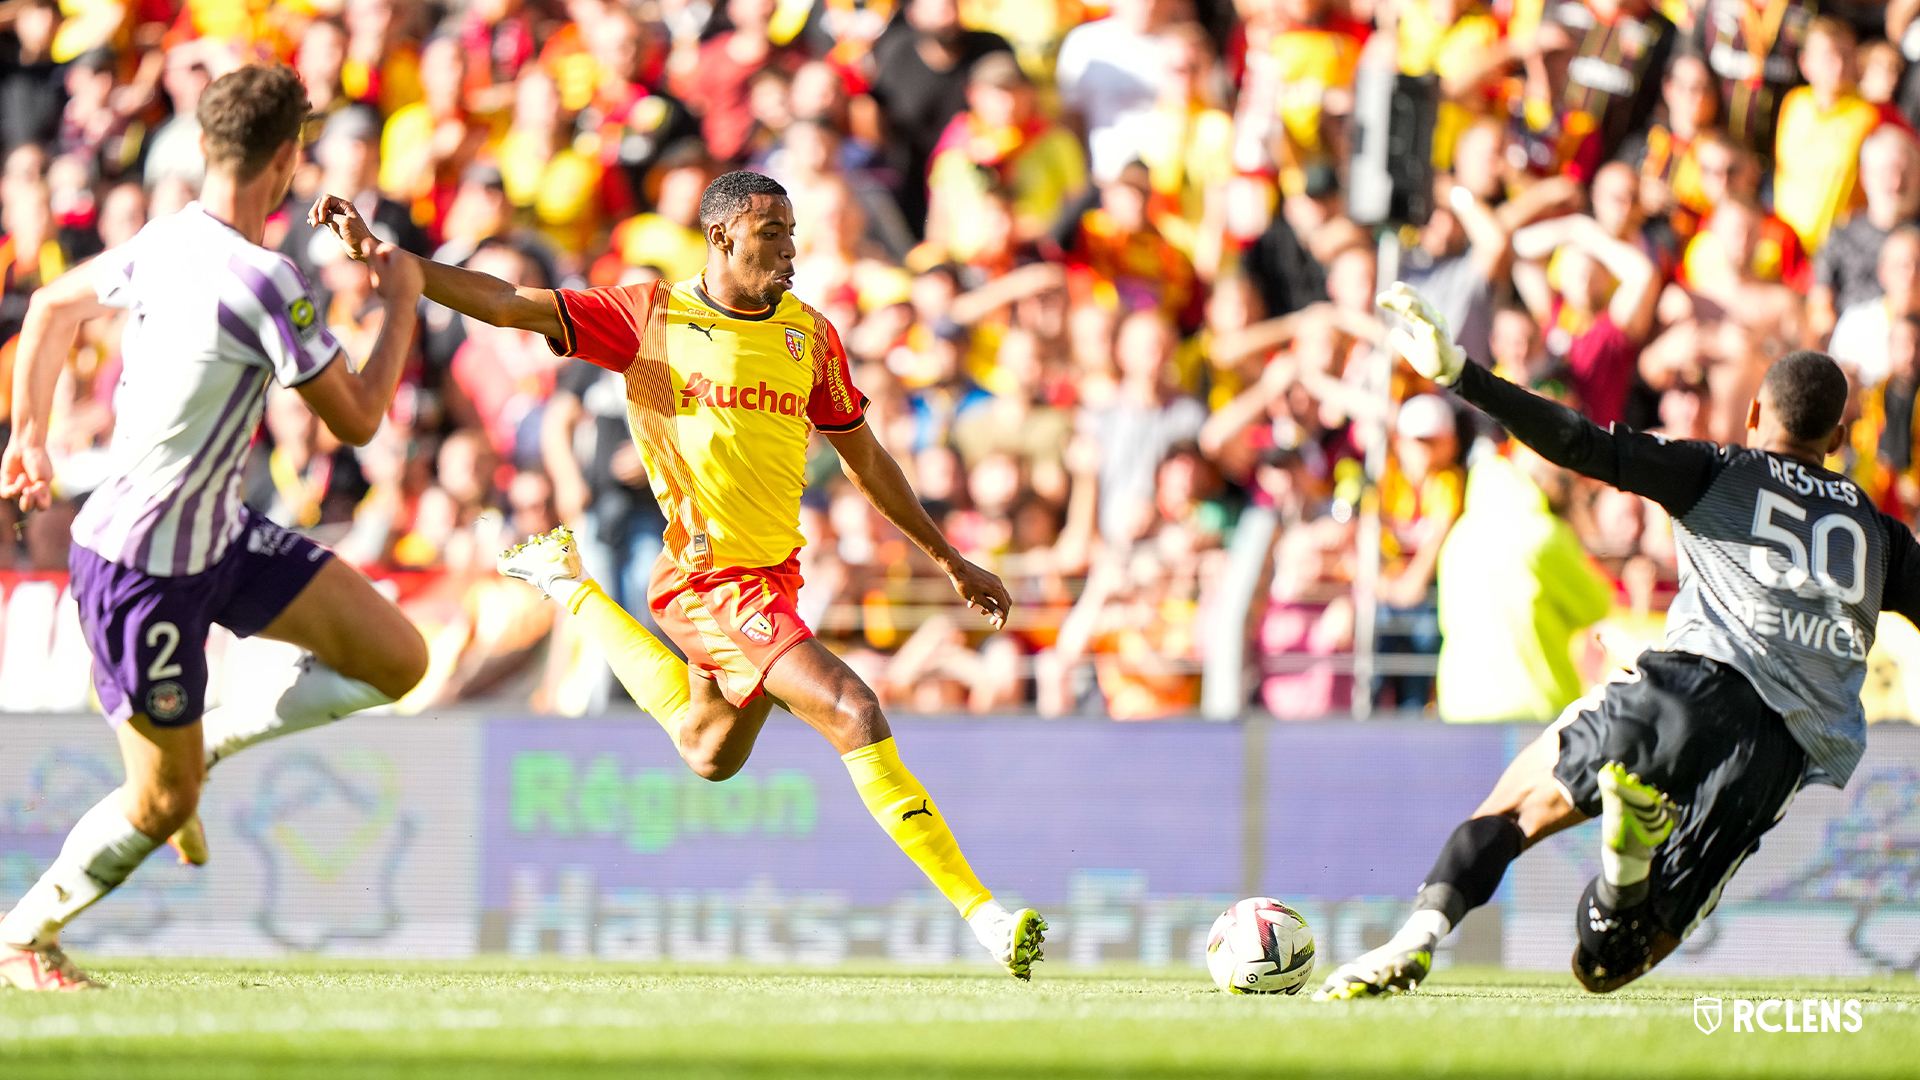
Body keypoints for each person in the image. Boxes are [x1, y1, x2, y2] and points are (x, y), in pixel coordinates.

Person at [310, 169, 1046, 979]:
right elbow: (510, 302)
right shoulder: (651, 317)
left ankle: (570, 587)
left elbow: (863, 455)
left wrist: (949, 557)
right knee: (852, 708)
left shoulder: (810, 335)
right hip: (709, 581)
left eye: (793, 234)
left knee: (709, 751)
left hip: (776, 575)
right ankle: (982, 913)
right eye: (773, 235)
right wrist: (393, 257)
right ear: (722, 236)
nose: (791, 251)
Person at [1318, 282, 1920, 998]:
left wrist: (1464, 376)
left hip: (1692, 686)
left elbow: (1578, 442)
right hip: (1777, 758)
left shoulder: (1717, 470)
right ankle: (1625, 871)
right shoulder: (1883, 538)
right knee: (1608, 966)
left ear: (1755, 414)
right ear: (1841, 441)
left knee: (1510, 814)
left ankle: (1417, 936)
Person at [0, 65, 429, 991]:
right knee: (160, 804)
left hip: (218, 538)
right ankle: (20, 936)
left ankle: (211, 738)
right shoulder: (265, 281)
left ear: (201, 147)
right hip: (139, 569)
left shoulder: (164, 241)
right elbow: (355, 418)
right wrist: (400, 304)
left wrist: (27, 433)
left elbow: (49, 308)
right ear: (289, 160)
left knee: (399, 659)